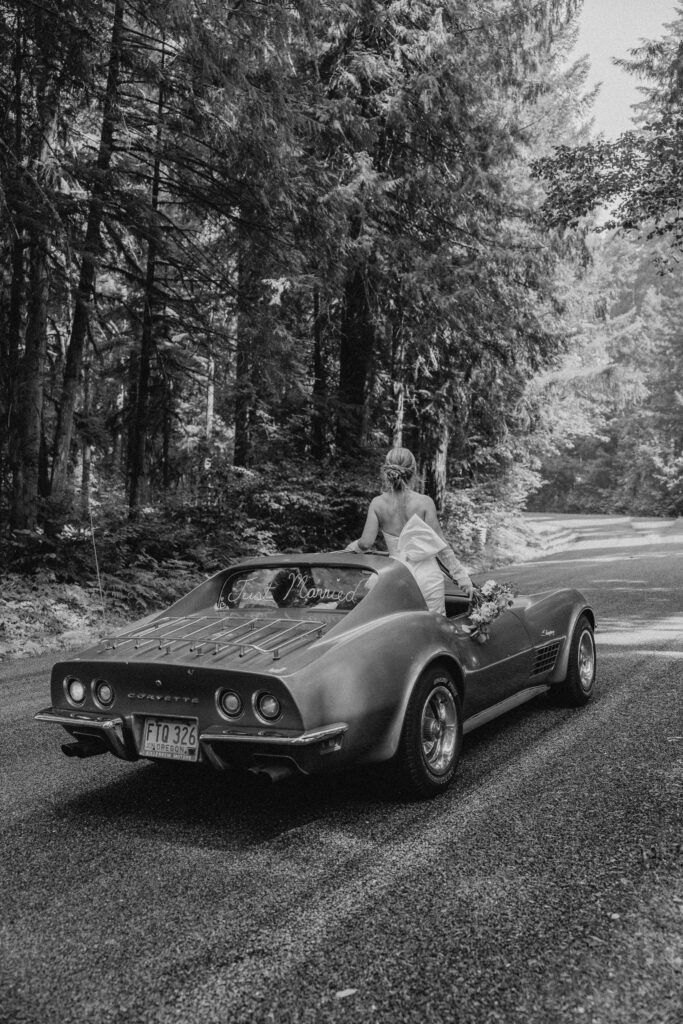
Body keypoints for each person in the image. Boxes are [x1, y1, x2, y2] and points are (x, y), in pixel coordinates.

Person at [345, 447, 473, 615]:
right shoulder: (425, 502)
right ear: (413, 472)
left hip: (395, 577)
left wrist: (351, 548)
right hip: (427, 578)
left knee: (396, 628)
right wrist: (461, 577)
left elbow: (365, 543)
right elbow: (442, 547)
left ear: (387, 471)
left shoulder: (377, 504)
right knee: (431, 627)